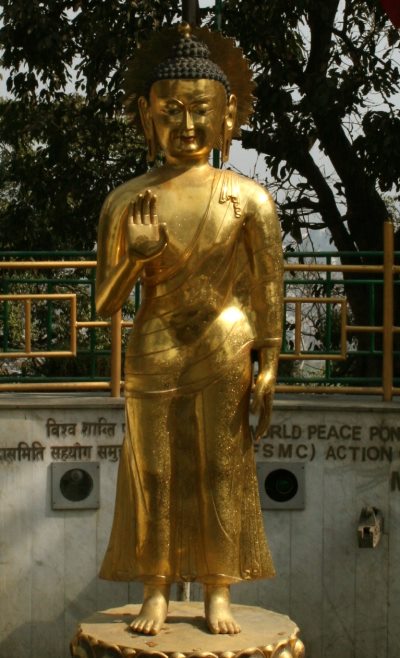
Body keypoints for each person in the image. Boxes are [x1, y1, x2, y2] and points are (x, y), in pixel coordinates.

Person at [96, 23, 283, 637]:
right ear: (146, 115)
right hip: (154, 347)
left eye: (201, 109)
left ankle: (217, 590)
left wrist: (271, 364)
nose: (187, 124)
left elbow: (269, 287)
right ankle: (154, 587)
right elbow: (105, 302)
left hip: (226, 344)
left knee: (218, 470)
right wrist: (137, 258)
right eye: (171, 110)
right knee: (153, 474)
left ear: (227, 115)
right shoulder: (127, 200)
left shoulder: (248, 199)